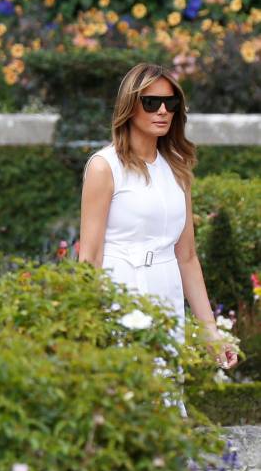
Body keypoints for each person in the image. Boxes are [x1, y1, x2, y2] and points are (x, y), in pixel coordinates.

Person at [79, 62, 238, 368]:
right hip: (119, 292)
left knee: (166, 395)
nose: (163, 111)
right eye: (151, 103)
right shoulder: (104, 167)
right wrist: (87, 326)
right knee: (127, 398)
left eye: (171, 102)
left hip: (168, 293)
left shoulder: (177, 166)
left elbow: (187, 255)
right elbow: (90, 256)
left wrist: (210, 332)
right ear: (130, 106)